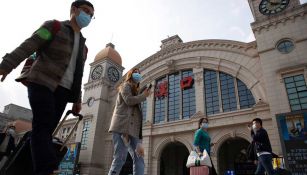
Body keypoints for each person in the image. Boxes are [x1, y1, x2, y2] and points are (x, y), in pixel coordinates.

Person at [0, 1, 94, 174]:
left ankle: (20, 168)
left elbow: (78, 75)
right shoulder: (54, 26)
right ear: (73, 10)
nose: (87, 16)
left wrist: (77, 100)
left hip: (63, 92)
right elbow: (29, 45)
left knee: (44, 131)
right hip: (41, 82)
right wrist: (7, 64)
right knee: (43, 125)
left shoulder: (84, 47)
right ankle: (48, 169)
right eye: (85, 11)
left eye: (91, 15)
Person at [108, 68, 151, 175]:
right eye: (136, 72)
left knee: (139, 157)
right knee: (120, 157)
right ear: (130, 75)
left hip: (134, 130)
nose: (138, 74)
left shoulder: (136, 91)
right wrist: (143, 96)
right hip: (122, 126)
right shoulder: (125, 85)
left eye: (139, 73)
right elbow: (129, 100)